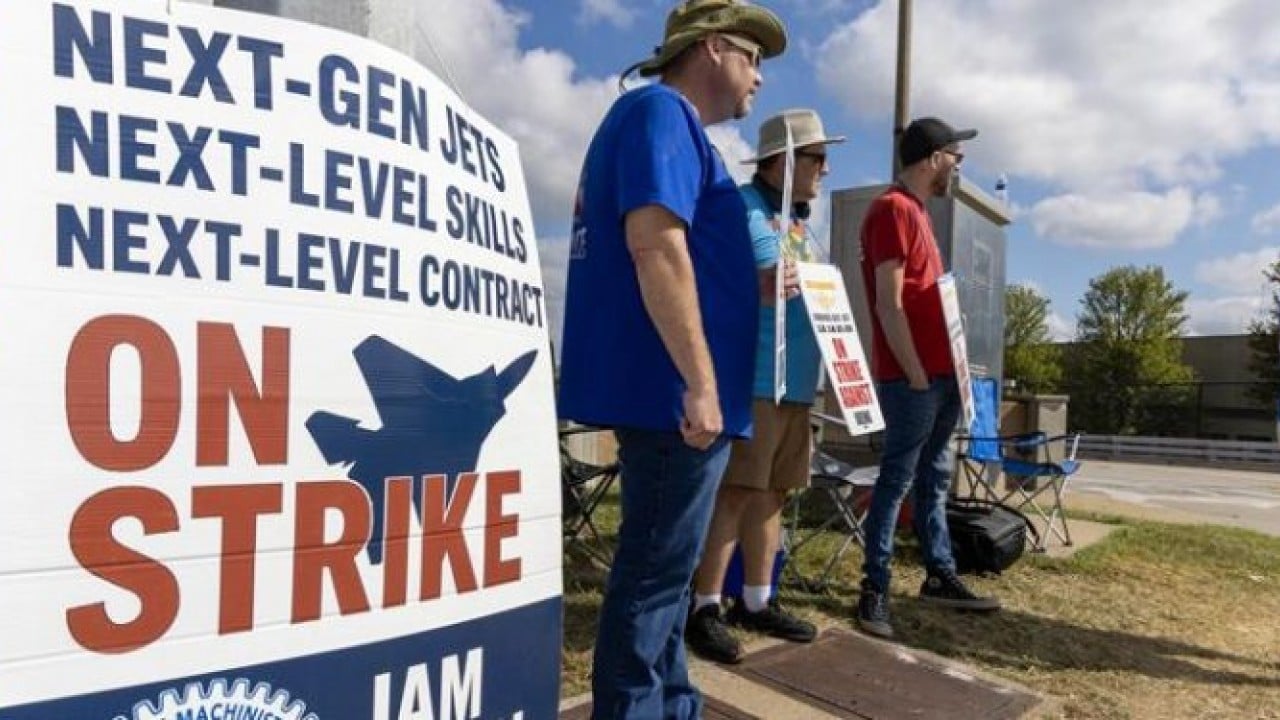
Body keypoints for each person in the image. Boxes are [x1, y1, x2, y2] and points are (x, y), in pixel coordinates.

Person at [556, 1, 787, 717]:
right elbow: (656, 245)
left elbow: (680, 251)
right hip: (672, 394)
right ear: (713, 47)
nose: (759, 79)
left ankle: (672, 703)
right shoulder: (660, 113)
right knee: (655, 575)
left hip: (671, 389)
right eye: (753, 58)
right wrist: (700, 382)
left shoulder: (662, 122)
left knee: (668, 571)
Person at [685, 108, 843, 663]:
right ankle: (703, 604)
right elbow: (722, 284)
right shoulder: (743, 208)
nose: (826, 170)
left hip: (796, 383)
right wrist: (763, 284)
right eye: (819, 158)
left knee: (773, 491)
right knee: (735, 491)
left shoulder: (798, 226)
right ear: (787, 161)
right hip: (754, 378)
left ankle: (757, 597)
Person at [854, 117, 1000, 640]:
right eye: (955, 156)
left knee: (936, 479)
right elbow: (887, 302)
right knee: (896, 482)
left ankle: (939, 573)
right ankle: (874, 588)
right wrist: (915, 372)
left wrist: (948, 371)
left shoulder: (918, 213)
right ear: (932, 156)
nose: (959, 165)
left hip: (942, 377)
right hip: (914, 379)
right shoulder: (891, 209)